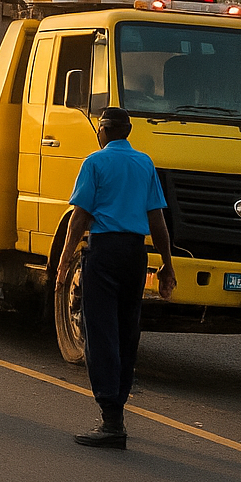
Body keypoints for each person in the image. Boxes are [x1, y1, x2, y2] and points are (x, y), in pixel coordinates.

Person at [57, 106, 175, 450]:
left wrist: (64, 262)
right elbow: (157, 221)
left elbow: (79, 218)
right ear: (129, 131)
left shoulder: (95, 163)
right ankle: (117, 412)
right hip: (135, 255)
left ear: (104, 130)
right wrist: (167, 264)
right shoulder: (145, 164)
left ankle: (111, 420)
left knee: (101, 331)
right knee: (127, 330)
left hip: (104, 253)